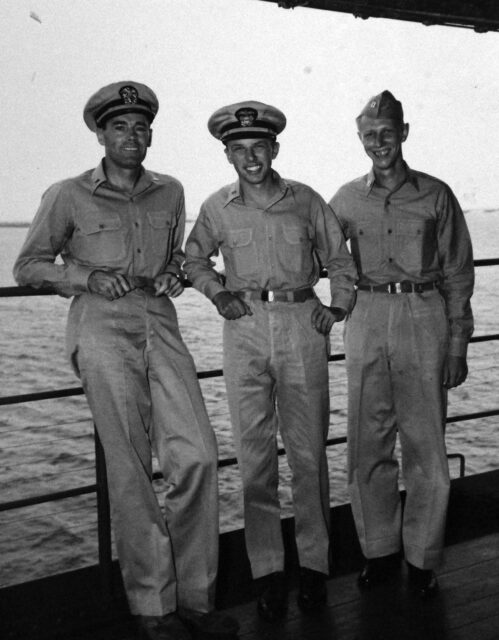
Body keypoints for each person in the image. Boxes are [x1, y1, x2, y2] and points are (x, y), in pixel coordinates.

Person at [13, 81, 238, 640]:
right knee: (132, 468)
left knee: (200, 456)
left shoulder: (171, 191)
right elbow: (29, 265)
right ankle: (154, 609)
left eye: (140, 126)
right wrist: (86, 276)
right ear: (100, 133)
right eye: (120, 127)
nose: (132, 136)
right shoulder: (67, 194)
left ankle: (197, 600)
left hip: (160, 324)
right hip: (100, 329)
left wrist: (173, 274)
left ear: (151, 133)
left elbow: (174, 261)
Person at [184, 101, 357, 620]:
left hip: (303, 323)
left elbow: (340, 259)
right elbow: (193, 259)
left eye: (259, 147)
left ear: (274, 149)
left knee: (308, 457)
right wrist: (217, 294)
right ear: (227, 155)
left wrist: (338, 306)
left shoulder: (305, 200)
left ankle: (314, 568)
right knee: (255, 460)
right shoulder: (217, 207)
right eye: (239, 150)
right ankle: (267, 572)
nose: (250, 157)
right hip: (245, 330)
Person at [329, 90, 474, 599]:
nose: (379, 143)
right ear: (360, 138)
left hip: (423, 314)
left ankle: (422, 559)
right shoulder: (345, 199)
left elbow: (458, 270)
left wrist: (457, 344)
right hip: (366, 315)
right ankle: (380, 553)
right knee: (367, 443)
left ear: (404, 133)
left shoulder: (436, 194)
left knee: (424, 443)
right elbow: (325, 255)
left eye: (387, 133)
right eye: (370, 135)